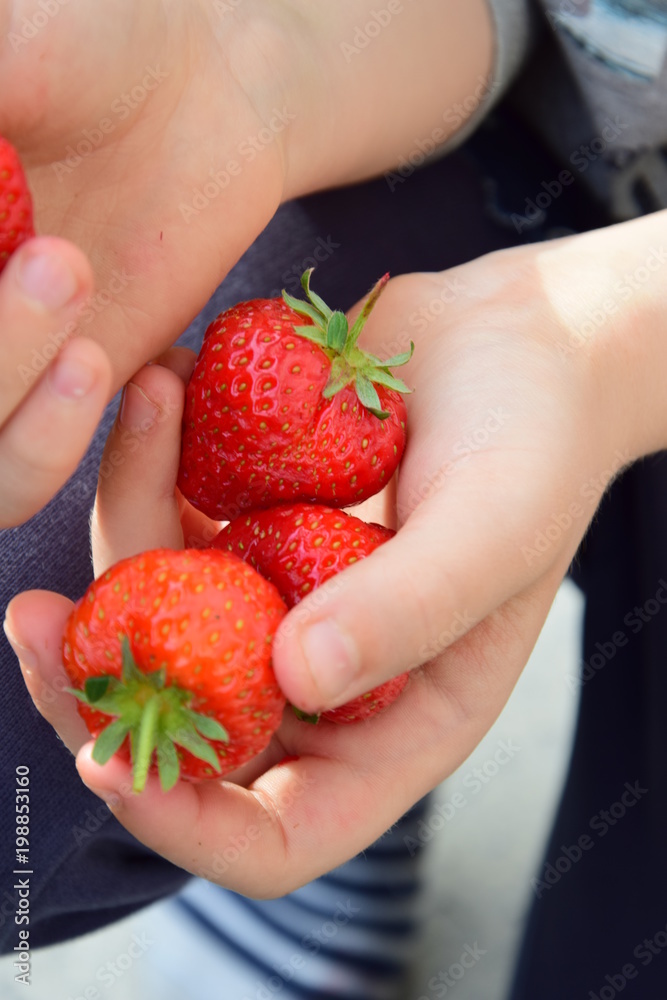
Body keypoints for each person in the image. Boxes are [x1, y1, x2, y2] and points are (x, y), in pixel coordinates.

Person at [2, 1, 667, 996]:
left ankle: (326, 719)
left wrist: (602, 342)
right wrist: (254, 60)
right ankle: (323, 741)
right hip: (495, 95)